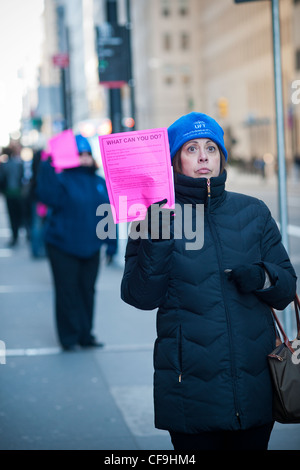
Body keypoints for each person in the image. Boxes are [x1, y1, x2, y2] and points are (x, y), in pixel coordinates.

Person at [120, 112, 297, 450]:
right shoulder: (152, 217)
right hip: (191, 391)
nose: (203, 157)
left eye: (211, 148)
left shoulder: (253, 212)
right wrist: (156, 237)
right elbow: (140, 295)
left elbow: (286, 288)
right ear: (174, 161)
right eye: (191, 149)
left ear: (221, 157)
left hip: (256, 386)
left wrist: (261, 277)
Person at [36, 134, 117, 351]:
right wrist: (48, 163)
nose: (83, 159)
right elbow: (46, 195)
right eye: (79, 154)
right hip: (62, 246)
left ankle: (85, 335)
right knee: (67, 291)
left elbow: (107, 214)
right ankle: (69, 338)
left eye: (87, 154)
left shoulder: (100, 183)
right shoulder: (61, 180)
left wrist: (111, 244)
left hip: (91, 247)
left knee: (87, 291)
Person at [0, 142, 24, 247]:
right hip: (18, 192)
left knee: (12, 216)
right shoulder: (18, 164)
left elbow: (2, 179)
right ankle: (25, 234)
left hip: (10, 193)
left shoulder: (4, 166)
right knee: (20, 214)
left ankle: (15, 236)